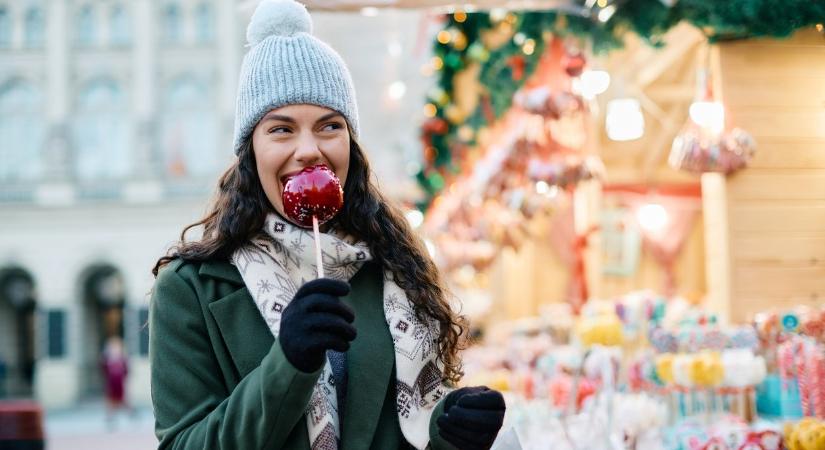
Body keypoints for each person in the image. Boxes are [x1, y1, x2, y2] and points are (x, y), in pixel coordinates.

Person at [149, 1, 506, 449]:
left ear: (350, 145)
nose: (308, 150)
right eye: (281, 129)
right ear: (250, 150)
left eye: (329, 126)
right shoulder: (191, 289)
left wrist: (453, 433)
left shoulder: (394, 265)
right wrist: (289, 364)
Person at [100, 336, 130, 428]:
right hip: (111, 383)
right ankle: (110, 417)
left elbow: (126, 371)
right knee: (111, 401)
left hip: (119, 383)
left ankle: (131, 413)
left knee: (122, 401)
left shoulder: (122, 359)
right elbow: (103, 369)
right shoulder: (108, 360)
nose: (114, 350)